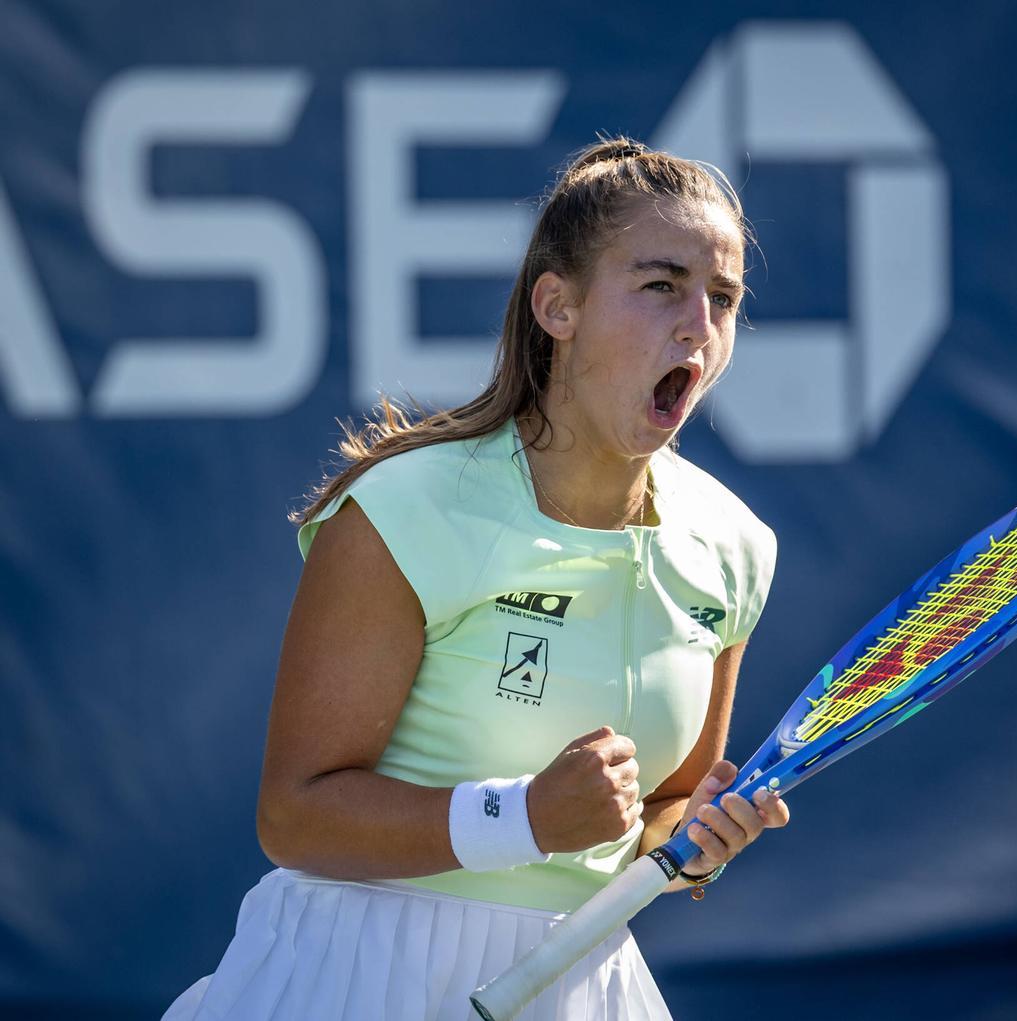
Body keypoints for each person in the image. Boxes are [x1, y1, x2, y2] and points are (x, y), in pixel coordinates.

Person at [163, 137, 788, 1021]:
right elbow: (294, 815)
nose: (699, 325)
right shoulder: (404, 508)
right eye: (661, 286)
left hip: (581, 982)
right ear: (557, 307)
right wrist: (524, 816)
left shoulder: (734, 545)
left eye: (723, 298)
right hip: (352, 978)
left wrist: (700, 840)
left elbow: (666, 807)